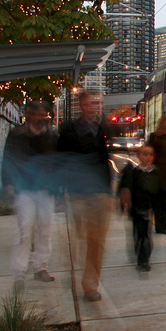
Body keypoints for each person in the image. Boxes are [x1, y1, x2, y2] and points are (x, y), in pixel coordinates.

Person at [57, 89, 113, 302]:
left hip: (100, 192)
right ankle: (81, 275)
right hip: (78, 191)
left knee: (97, 240)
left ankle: (90, 284)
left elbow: (104, 158)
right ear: (82, 105)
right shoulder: (69, 130)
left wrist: (111, 189)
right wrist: (59, 192)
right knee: (82, 237)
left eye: (98, 103)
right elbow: (60, 160)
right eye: (92, 103)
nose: (96, 106)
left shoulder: (102, 127)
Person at [0, 100, 58, 292]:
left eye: (44, 115)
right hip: (24, 189)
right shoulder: (16, 135)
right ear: (28, 115)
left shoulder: (52, 136)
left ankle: (41, 267)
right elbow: (8, 160)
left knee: (45, 229)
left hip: (45, 190)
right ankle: (19, 272)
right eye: (37, 114)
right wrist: (8, 183)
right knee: (24, 232)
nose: (41, 119)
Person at [119, 144, 161, 273]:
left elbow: (159, 192)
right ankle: (140, 257)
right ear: (138, 156)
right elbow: (126, 190)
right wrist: (125, 206)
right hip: (137, 208)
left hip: (147, 208)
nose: (147, 157)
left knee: (145, 234)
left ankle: (144, 260)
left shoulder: (156, 172)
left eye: (150, 155)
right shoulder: (134, 172)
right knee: (139, 233)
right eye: (144, 154)